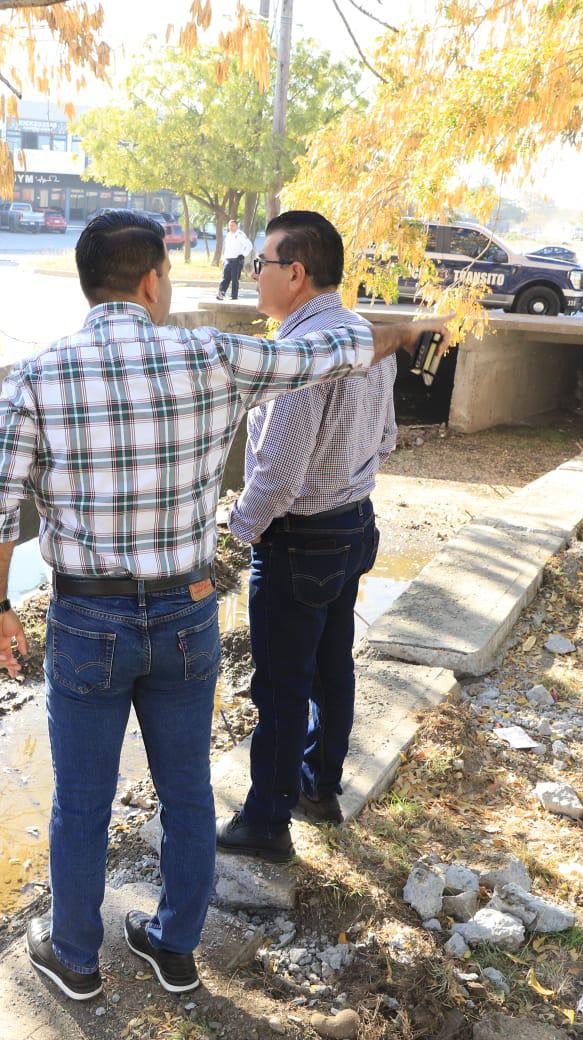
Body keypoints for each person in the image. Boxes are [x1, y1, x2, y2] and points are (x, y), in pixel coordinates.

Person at [0, 209, 447, 1003]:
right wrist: (404, 332)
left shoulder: (37, 376)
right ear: (152, 281)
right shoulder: (209, 356)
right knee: (187, 790)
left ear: (91, 286)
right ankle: (175, 947)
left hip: (87, 621)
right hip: (186, 615)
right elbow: (329, 353)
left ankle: (76, 958)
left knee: (81, 802)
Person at [216, 211, 397, 862]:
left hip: (300, 542)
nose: (253, 276)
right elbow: (388, 438)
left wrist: (238, 531)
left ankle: (267, 822)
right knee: (330, 666)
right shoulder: (364, 336)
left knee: (281, 688)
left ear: (295, 273)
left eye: (260, 264)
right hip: (353, 526)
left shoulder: (298, 356)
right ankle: (319, 789)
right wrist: (345, 480)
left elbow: (278, 475)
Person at [217, 219, 253, 300]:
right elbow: (226, 248)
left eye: (233, 225)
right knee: (225, 278)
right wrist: (223, 258)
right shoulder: (228, 235)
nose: (231, 227)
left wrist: (243, 255)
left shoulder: (240, 234)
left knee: (234, 279)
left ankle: (234, 296)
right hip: (227, 260)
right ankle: (221, 293)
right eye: (230, 225)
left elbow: (249, 245)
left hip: (236, 260)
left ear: (236, 226)